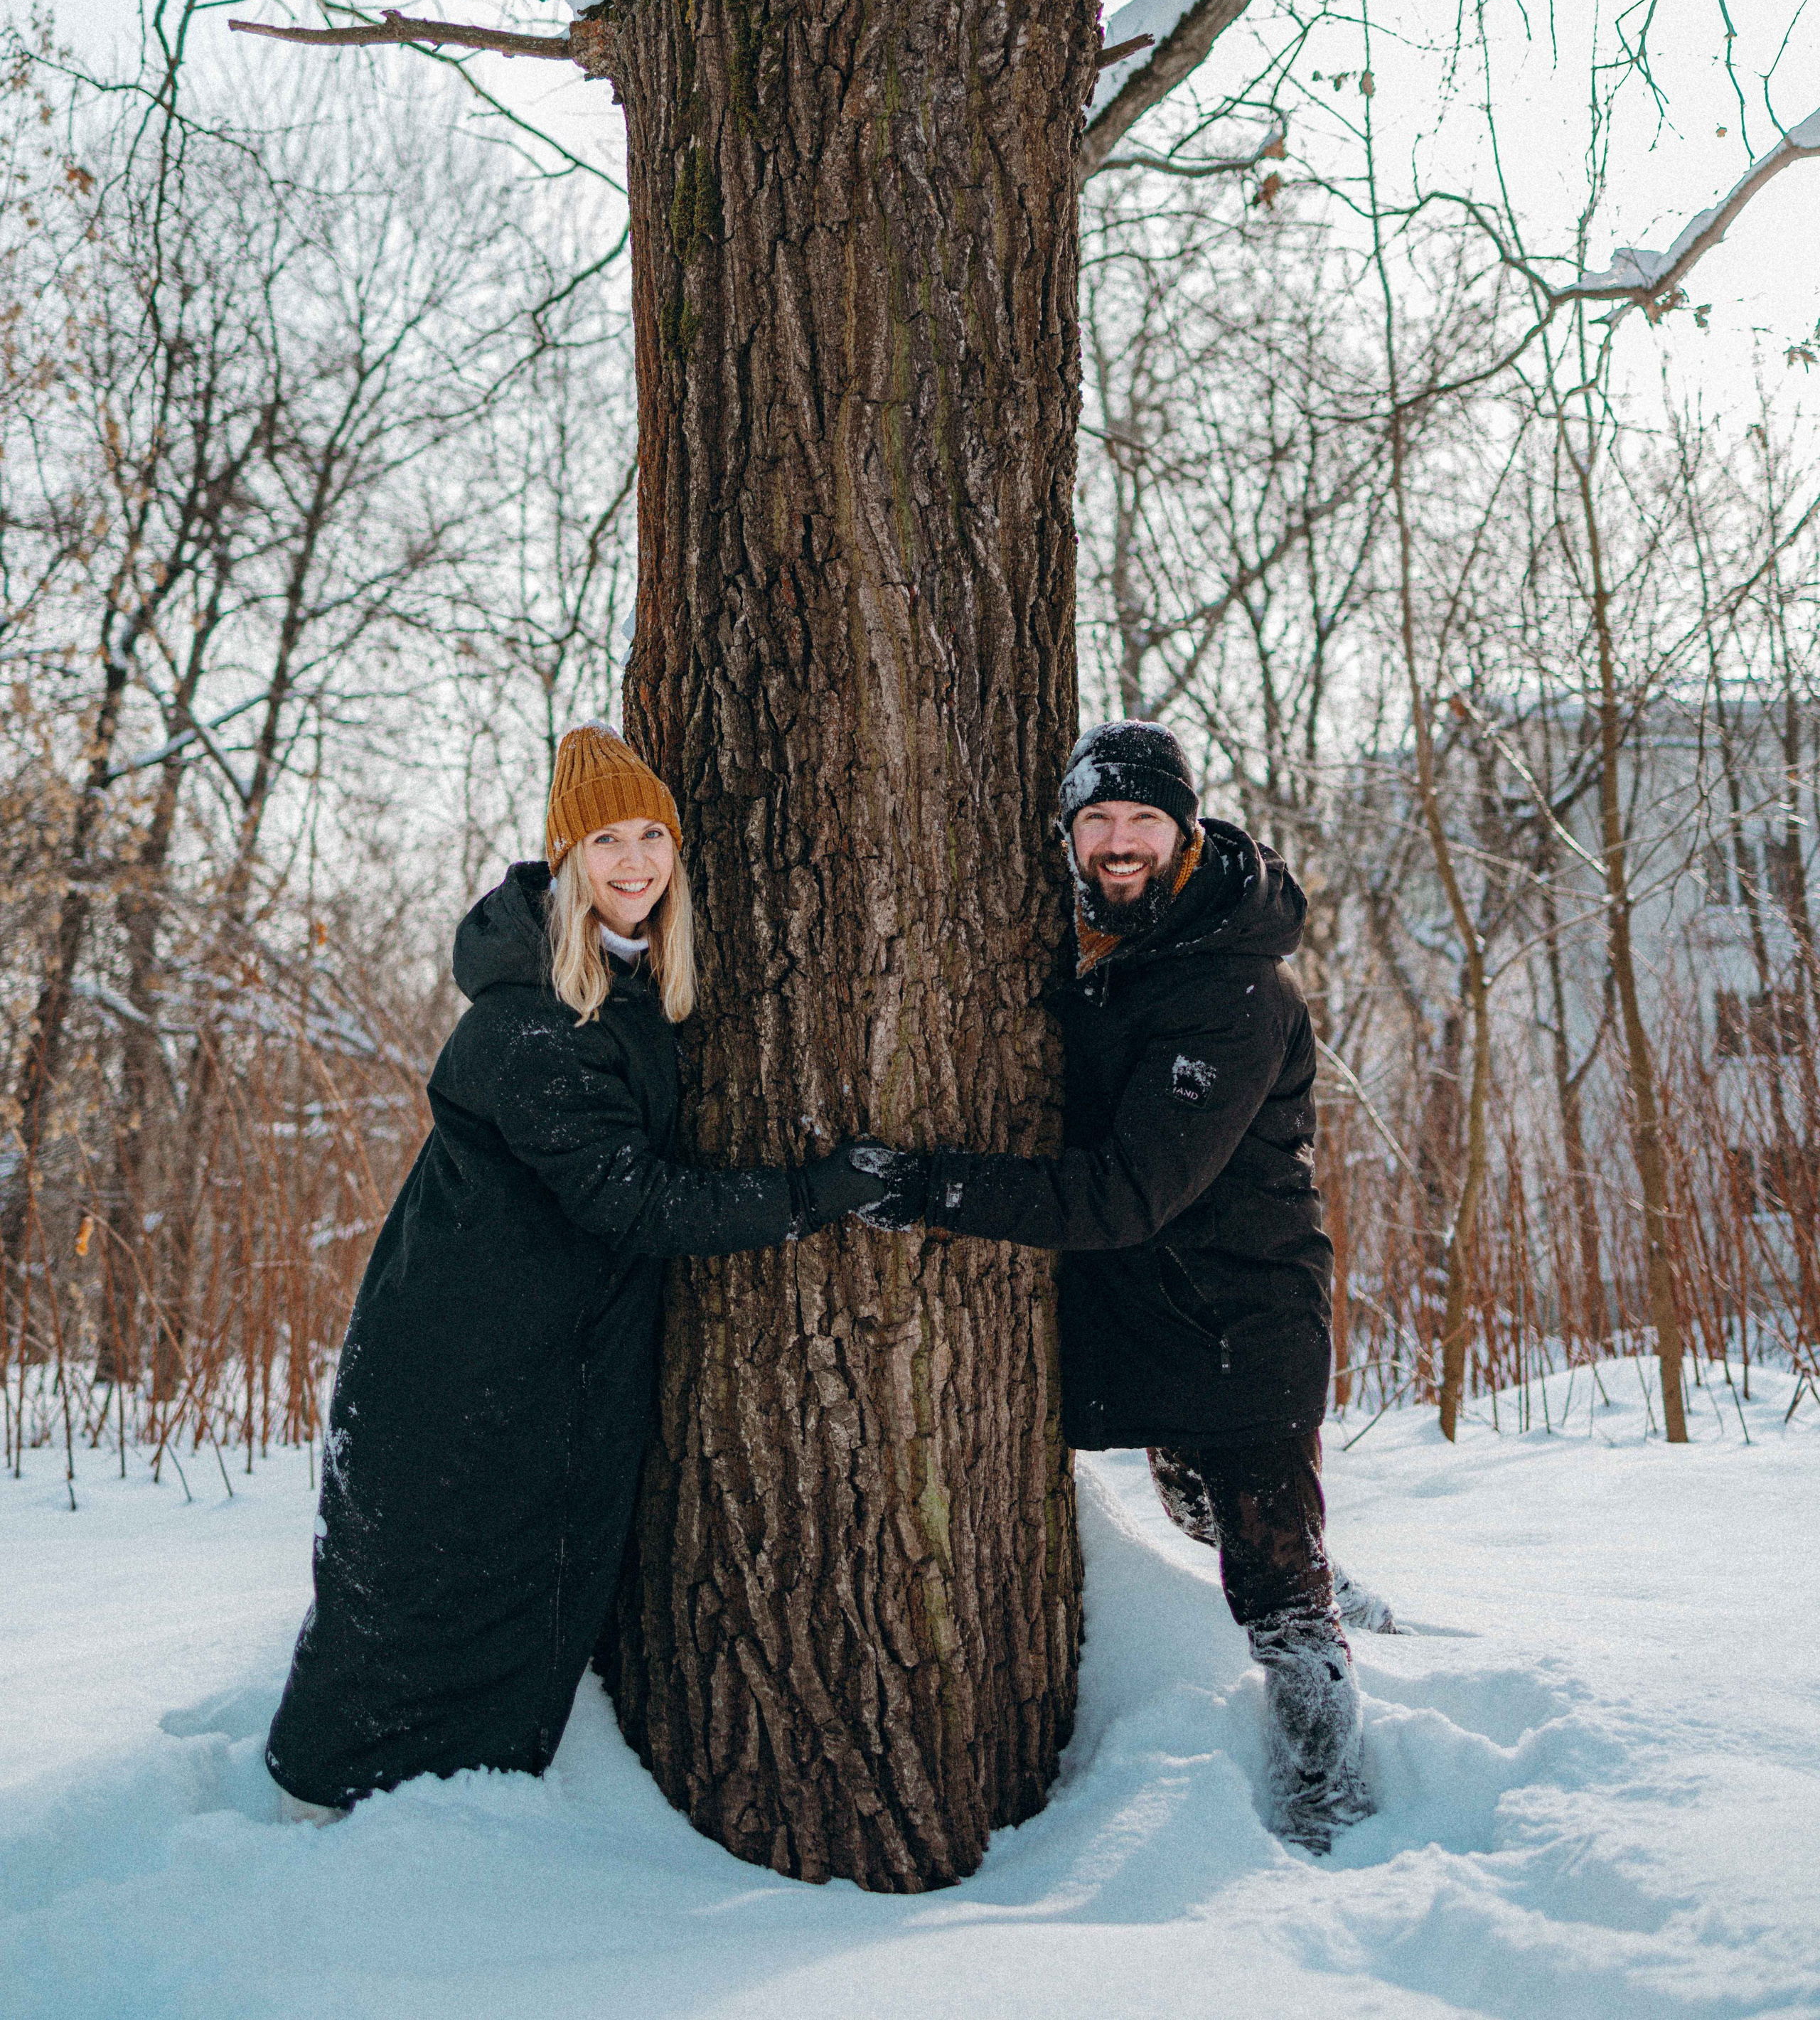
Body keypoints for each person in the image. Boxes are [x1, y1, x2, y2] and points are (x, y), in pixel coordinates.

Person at [264, 722, 889, 1819]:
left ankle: (447, 1810)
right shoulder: (533, 1023)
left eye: (653, 834)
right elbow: (635, 1201)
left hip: (529, 1348)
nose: (636, 860)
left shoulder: (625, 982)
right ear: (566, 857)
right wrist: (815, 1194)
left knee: (498, 1586)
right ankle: (340, 1817)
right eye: (607, 838)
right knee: (430, 1588)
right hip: (461, 1362)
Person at [855, 720, 1381, 1852]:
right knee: (1195, 1510)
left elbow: (1122, 1195)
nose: (1119, 839)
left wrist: (930, 1187)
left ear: (1186, 832)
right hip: (1160, 1314)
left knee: (1277, 1594)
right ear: (1070, 834)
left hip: (1242, 1322)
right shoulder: (1114, 948)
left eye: (1143, 818)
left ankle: (1333, 1806)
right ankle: (1341, 1590)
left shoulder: (1232, 993)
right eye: (1098, 819)